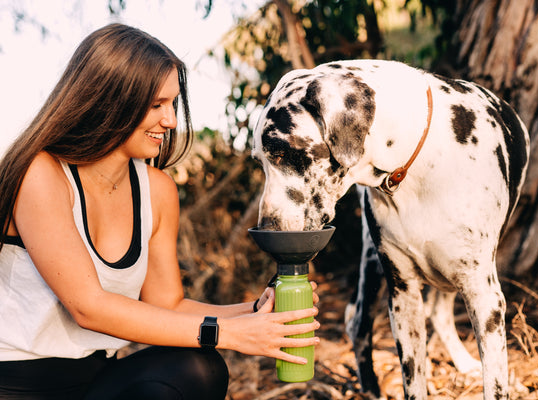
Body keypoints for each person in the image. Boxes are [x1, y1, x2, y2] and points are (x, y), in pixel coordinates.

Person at [0, 23, 320, 400]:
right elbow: (88, 307)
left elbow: (168, 305)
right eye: (156, 105)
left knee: (199, 368)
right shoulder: (40, 173)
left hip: (98, 379)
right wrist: (228, 334)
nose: (170, 121)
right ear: (109, 100)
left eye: (172, 104)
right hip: (19, 384)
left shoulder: (157, 189)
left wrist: (253, 312)